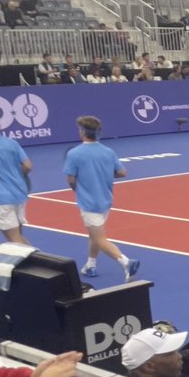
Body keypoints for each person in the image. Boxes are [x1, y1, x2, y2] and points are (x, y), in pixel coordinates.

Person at [62, 117, 138, 281]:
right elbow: (122, 173)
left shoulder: (74, 154)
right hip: (105, 201)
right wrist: (102, 174)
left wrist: (79, 190)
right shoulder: (108, 151)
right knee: (94, 235)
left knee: (99, 239)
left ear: (82, 131)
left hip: (89, 204)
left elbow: (70, 179)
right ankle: (91, 265)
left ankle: (126, 262)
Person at [0, 111, 31, 244]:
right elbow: (27, 166)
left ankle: (44, 264)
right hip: (19, 194)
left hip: (1, 199)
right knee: (18, 236)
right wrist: (15, 176)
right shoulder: (11, 143)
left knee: (14, 240)